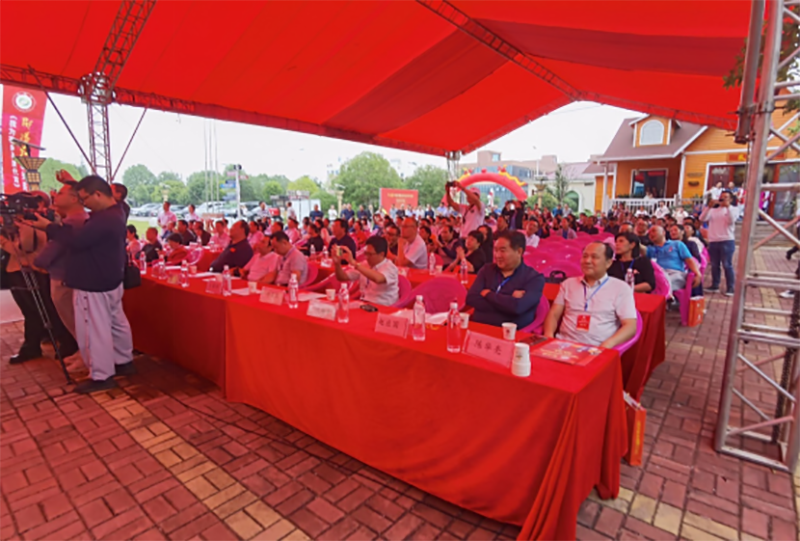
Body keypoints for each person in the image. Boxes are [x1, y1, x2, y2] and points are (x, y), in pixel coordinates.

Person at [26, 176, 133, 393]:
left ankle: (101, 375)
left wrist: (50, 227)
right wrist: (75, 181)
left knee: (94, 329)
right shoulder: (118, 210)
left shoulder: (104, 220)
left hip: (94, 281)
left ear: (98, 195)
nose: (84, 203)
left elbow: (77, 241)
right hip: (109, 278)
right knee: (115, 323)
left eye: (85, 198)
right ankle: (123, 361)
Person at [33, 181, 90, 370]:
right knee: (76, 319)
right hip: (68, 275)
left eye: (61, 192)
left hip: (64, 276)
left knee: (74, 319)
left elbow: (54, 248)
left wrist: (38, 262)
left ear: (74, 198)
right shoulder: (78, 219)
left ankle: (87, 356)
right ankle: (83, 352)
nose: (56, 195)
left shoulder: (73, 222)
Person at [544, 242, 638, 348]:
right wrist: (549, 337)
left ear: (608, 263)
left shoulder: (621, 288)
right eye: (585, 256)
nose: (587, 261)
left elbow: (630, 326)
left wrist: (607, 345)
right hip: (563, 345)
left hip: (597, 348)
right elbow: (553, 315)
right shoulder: (568, 284)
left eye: (594, 257)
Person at [466, 231, 544, 328]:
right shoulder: (486, 270)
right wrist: (509, 300)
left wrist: (488, 295)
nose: (497, 255)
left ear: (519, 252)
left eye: (502, 251)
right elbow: (471, 298)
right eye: (495, 250)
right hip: (479, 329)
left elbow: (518, 307)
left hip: (512, 335)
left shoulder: (534, 278)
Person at [333, 237, 398, 306]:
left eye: (370, 254)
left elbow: (378, 278)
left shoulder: (390, 267)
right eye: (365, 253)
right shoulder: (365, 264)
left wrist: (354, 263)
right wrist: (337, 264)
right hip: (364, 303)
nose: (366, 257)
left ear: (381, 254)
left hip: (383, 306)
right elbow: (342, 277)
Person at [700, 191, 736, 295]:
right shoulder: (713, 210)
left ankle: (730, 287)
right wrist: (709, 207)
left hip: (727, 240)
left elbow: (731, 220)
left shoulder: (733, 209)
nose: (722, 199)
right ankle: (715, 285)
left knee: (727, 265)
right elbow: (702, 218)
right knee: (715, 265)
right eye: (721, 197)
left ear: (730, 199)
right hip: (713, 240)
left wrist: (728, 207)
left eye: (725, 197)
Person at [646, 225, 701, 292]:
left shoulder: (677, 244)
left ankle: (667, 298)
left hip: (676, 274)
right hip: (658, 275)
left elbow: (689, 260)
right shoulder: (650, 249)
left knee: (664, 284)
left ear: (663, 232)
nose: (651, 234)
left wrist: (698, 274)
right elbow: (642, 249)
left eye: (654, 231)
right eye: (649, 233)